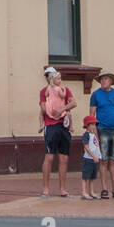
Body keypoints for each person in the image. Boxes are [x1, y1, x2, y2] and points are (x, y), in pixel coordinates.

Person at [89, 70, 114, 199]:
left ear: (111, 81)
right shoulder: (96, 95)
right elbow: (92, 115)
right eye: (101, 79)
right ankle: (104, 189)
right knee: (103, 160)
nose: (103, 81)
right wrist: (94, 132)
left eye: (106, 79)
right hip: (102, 129)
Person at [39, 66, 76, 197]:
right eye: (48, 75)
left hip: (63, 125)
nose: (51, 77)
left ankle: (63, 189)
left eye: (52, 74)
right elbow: (43, 108)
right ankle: (45, 188)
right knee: (49, 156)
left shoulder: (65, 90)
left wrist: (62, 109)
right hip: (51, 125)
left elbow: (73, 103)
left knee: (64, 158)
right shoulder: (44, 91)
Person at [80, 113, 102, 199]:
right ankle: (84, 191)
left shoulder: (94, 135)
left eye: (95, 125)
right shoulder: (86, 135)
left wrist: (98, 156)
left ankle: (92, 191)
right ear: (87, 125)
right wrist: (93, 156)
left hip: (95, 159)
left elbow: (96, 146)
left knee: (93, 176)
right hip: (88, 159)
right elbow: (86, 146)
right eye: (92, 124)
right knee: (85, 176)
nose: (94, 126)